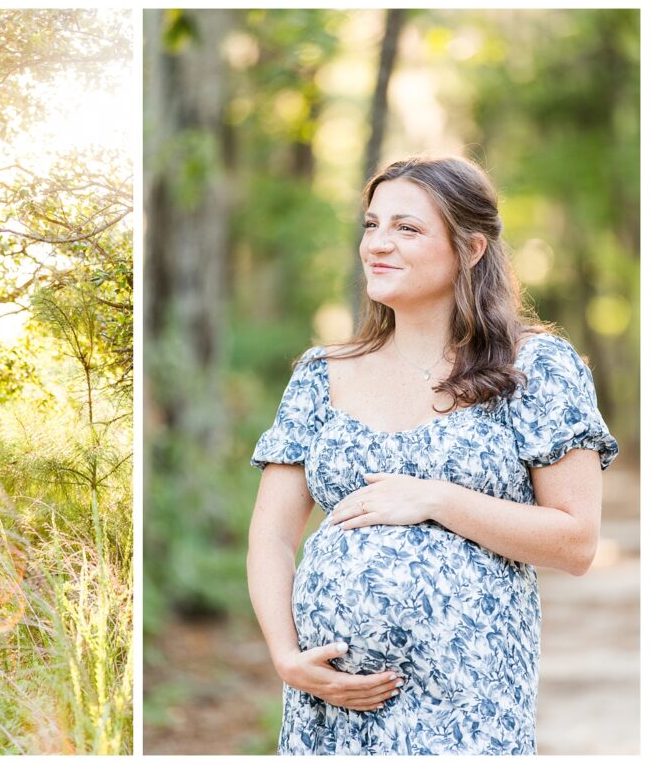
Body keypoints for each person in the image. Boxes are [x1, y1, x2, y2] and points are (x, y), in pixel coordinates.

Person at [247, 156, 617, 755]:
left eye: (407, 228)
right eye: (371, 225)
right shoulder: (321, 374)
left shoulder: (536, 368)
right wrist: (287, 659)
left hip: (468, 701)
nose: (377, 245)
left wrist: (434, 498)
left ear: (470, 249)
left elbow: (576, 543)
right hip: (331, 706)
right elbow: (270, 537)